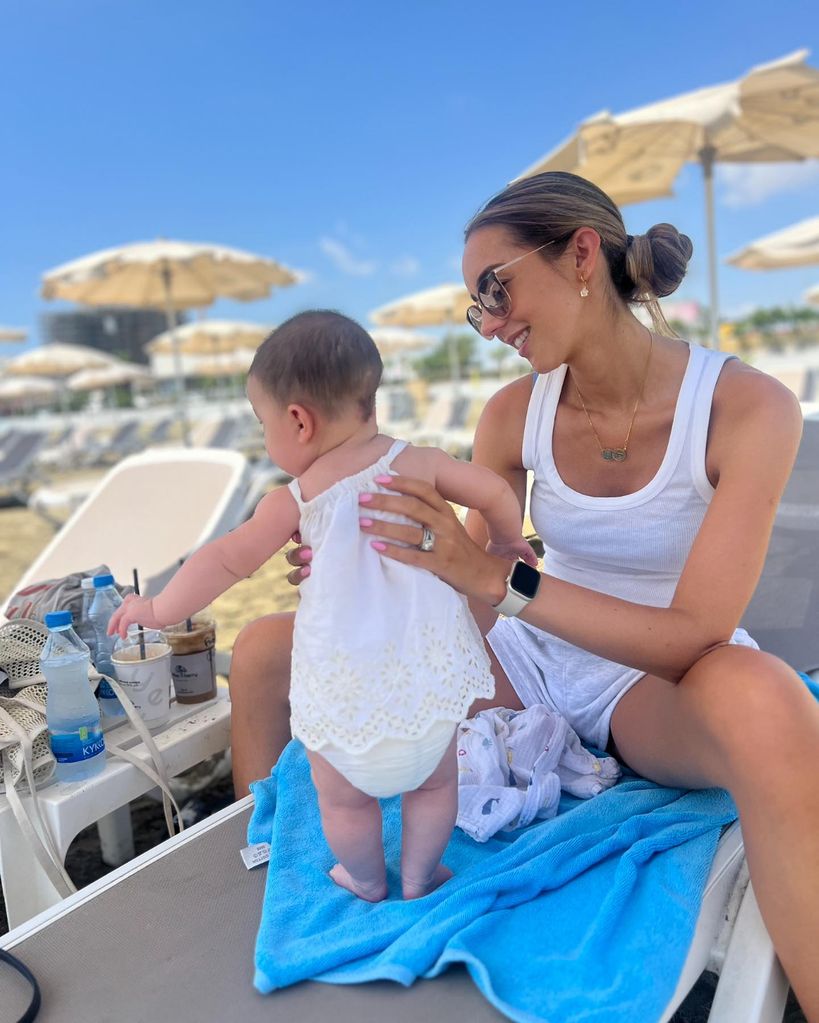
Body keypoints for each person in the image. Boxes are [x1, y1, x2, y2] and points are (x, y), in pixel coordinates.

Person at [226, 175, 818, 1017]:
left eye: (495, 289)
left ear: (581, 252)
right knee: (262, 652)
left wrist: (492, 577)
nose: (491, 323)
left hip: (647, 678)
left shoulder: (744, 406)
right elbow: (468, 580)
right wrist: (368, 577)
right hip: (522, 648)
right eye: (477, 308)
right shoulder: (512, 415)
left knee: (766, 701)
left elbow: (693, 632)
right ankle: (273, 873)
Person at [109, 310, 536, 902]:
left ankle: (364, 878)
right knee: (435, 790)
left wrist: (156, 608)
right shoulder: (419, 462)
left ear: (298, 421)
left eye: (263, 425)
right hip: (428, 691)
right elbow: (492, 489)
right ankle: (419, 877)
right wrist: (510, 540)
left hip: (344, 703)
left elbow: (226, 561)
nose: (266, 439)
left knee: (344, 799)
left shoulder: (297, 500)